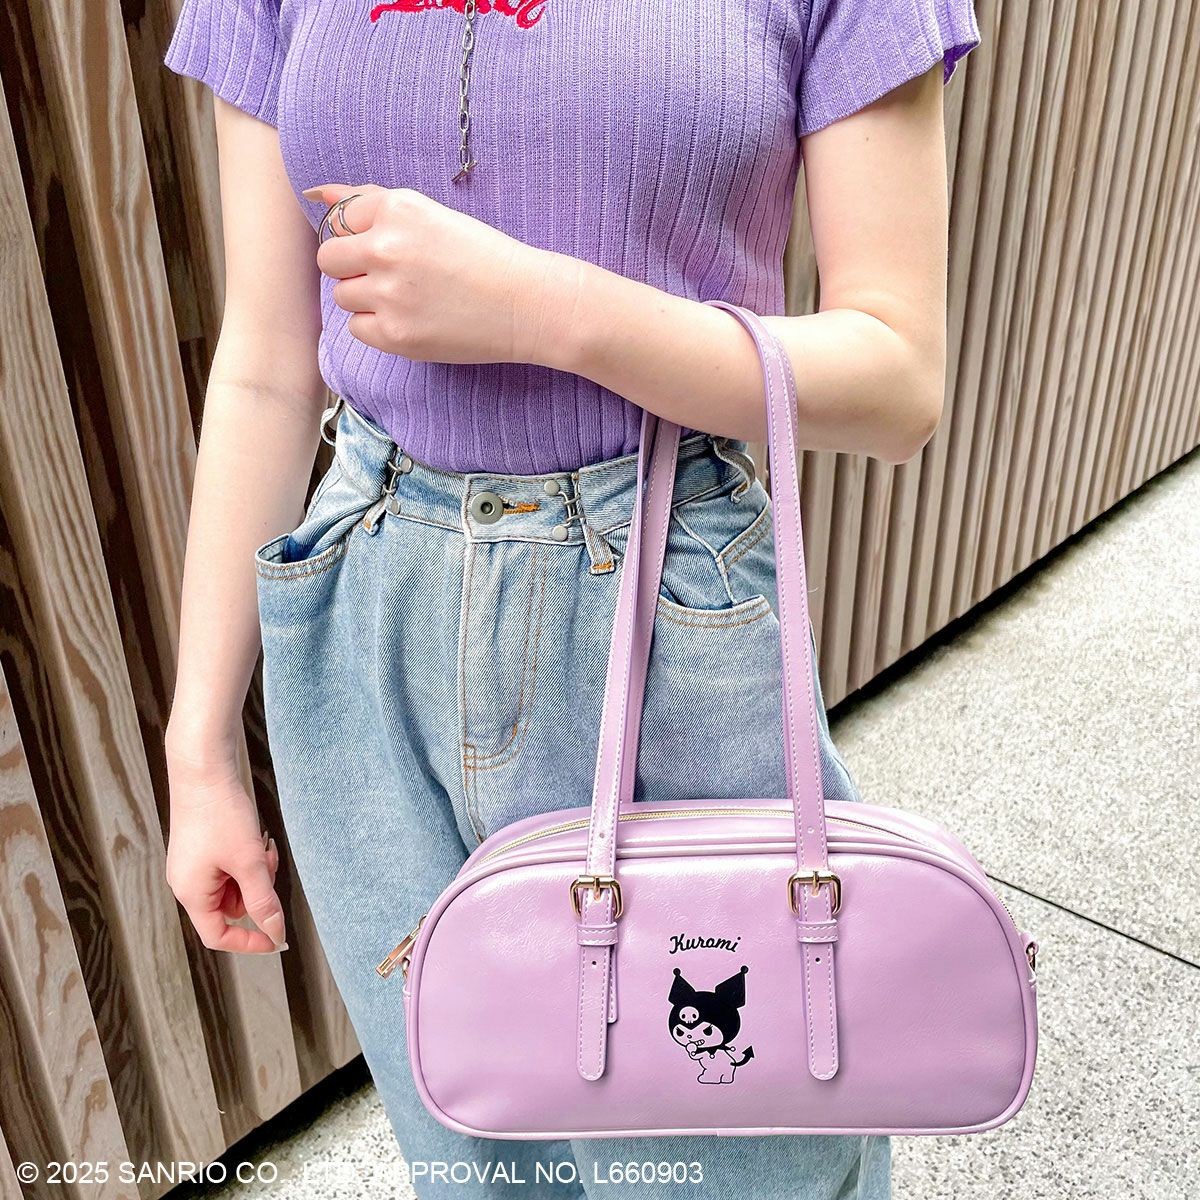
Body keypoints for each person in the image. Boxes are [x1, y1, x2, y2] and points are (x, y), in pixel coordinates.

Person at [160, 1, 980, 1196]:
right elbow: (267, 367)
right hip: (366, 621)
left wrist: (546, 311)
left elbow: (899, 379)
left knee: (740, 1159)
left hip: (661, 609)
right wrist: (198, 751)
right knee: (480, 1157)